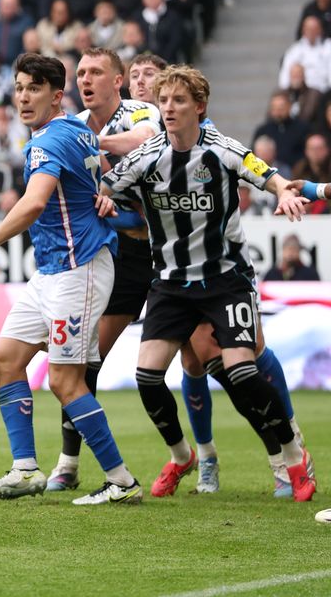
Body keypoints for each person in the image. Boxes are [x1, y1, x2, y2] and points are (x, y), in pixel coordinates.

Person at [100, 65, 315, 502]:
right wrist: (102, 197)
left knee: (242, 370)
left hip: (224, 280)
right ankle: (183, 457)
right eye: (164, 101)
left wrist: (286, 193)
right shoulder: (146, 156)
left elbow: (266, 174)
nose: (169, 108)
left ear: (199, 107)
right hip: (171, 284)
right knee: (147, 376)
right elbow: (106, 188)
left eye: (179, 101)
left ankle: (294, 459)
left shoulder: (221, 148)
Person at [0, 52, 142, 506]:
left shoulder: (47, 143)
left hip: (77, 270)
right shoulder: (79, 131)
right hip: (52, 271)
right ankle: (24, 469)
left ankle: (121, 480)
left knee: (64, 380)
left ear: (56, 96)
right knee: (5, 359)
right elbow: (96, 181)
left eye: (34, 89)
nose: (23, 97)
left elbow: (35, 201)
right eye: (19, 87)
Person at [44, 47, 161, 492]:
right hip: (121, 257)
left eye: (96, 72)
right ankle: (68, 464)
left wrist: (91, 144)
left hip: (171, 251)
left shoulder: (137, 111)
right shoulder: (73, 125)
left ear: (119, 81)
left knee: (206, 361)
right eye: (80, 73)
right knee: (82, 360)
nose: (85, 80)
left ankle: (201, 456)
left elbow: (148, 141)